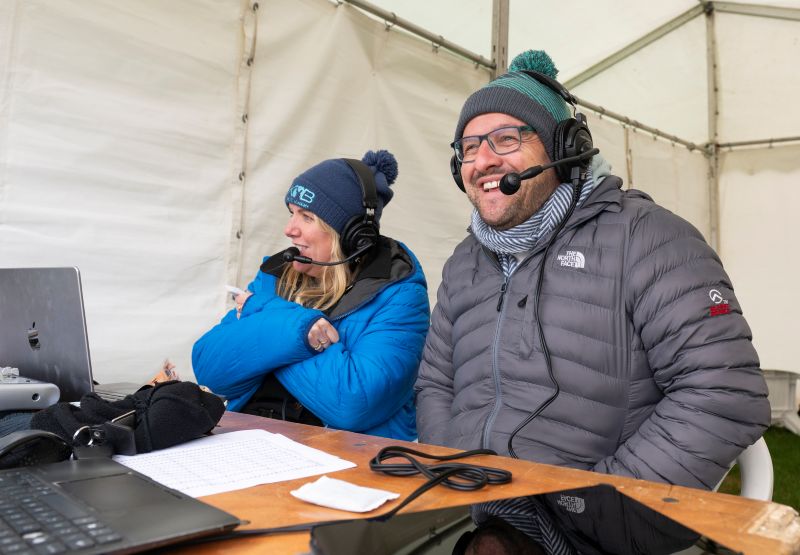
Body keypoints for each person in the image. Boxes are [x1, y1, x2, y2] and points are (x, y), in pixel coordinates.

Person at [414, 50, 770, 553]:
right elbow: (435, 382)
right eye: (469, 147)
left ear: (565, 147)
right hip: (479, 516)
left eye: (506, 139)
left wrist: (599, 502)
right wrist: (454, 469)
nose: (483, 161)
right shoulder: (465, 261)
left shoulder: (649, 238)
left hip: (601, 531)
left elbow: (724, 390)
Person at [192, 150, 429, 441]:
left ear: (351, 234)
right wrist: (301, 331)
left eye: (307, 217)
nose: (289, 229)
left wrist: (264, 318)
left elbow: (352, 402)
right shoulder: (276, 273)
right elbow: (210, 370)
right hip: (250, 442)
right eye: (291, 213)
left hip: (343, 458)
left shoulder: (399, 292)